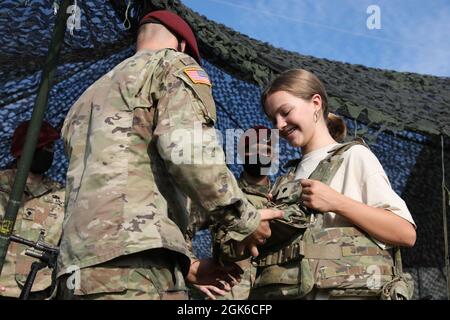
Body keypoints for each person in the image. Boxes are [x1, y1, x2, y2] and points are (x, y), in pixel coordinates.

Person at [55, 10, 282, 300]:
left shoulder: (85, 98)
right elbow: (189, 153)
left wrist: (186, 264)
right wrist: (246, 219)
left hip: (75, 267)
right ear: (184, 45)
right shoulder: (172, 64)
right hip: (137, 268)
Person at [245, 68, 417, 300]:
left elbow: (405, 233)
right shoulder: (286, 180)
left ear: (316, 103)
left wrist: (337, 202)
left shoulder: (354, 156)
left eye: (285, 112)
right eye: (272, 118)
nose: (279, 125)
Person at [188, 125, 273, 300]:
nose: (259, 155)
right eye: (251, 149)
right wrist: (190, 268)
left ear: (274, 154)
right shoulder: (222, 197)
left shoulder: (283, 197)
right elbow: (180, 228)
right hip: (228, 294)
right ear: (242, 154)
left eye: (265, 149)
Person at [0, 121, 65, 299]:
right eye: (44, 146)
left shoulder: (60, 194)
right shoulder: (3, 184)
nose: (48, 152)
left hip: (37, 289)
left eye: (51, 147)